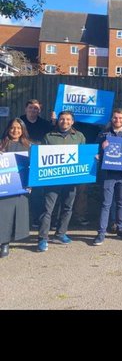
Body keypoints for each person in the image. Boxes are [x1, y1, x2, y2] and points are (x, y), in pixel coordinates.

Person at [37, 112, 86, 252]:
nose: (65, 121)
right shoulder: (49, 136)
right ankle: (42, 238)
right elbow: (42, 157)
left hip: (71, 179)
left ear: (72, 122)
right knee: (47, 209)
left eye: (68, 119)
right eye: (62, 119)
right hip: (52, 179)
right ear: (58, 121)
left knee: (67, 207)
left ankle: (60, 233)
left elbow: (83, 156)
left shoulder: (79, 136)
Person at [93, 109, 122, 245]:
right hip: (109, 174)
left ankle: (121, 229)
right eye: (115, 118)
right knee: (106, 204)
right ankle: (101, 233)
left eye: (120, 118)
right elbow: (95, 153)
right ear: (112, 119)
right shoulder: (103, 135)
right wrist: (101, 149)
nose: (118, 120)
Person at [0, 118, 31, 258]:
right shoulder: (1, 144)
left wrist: (31, 184)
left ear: (23, 130)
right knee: (3, 216)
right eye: (12, 128)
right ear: (8, 129)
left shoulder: (29, 146)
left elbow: (34, 169)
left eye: (18, 128)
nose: (15, 131)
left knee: (15, 216)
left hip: (19, 188)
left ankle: (8, 241)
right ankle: (3, 243)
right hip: (3, 189)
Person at [18, 99, 52, 227]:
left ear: (39, 110)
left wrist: (54, 122)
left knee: (37, 191)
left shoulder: (45, 124)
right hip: (21, 158)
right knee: (21, 190)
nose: (33, 110)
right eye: (31, 108)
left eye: (36, 108)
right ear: (26, 109)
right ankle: (21, 219)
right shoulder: (19, 122)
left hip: (38, 160)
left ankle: (37, 219)